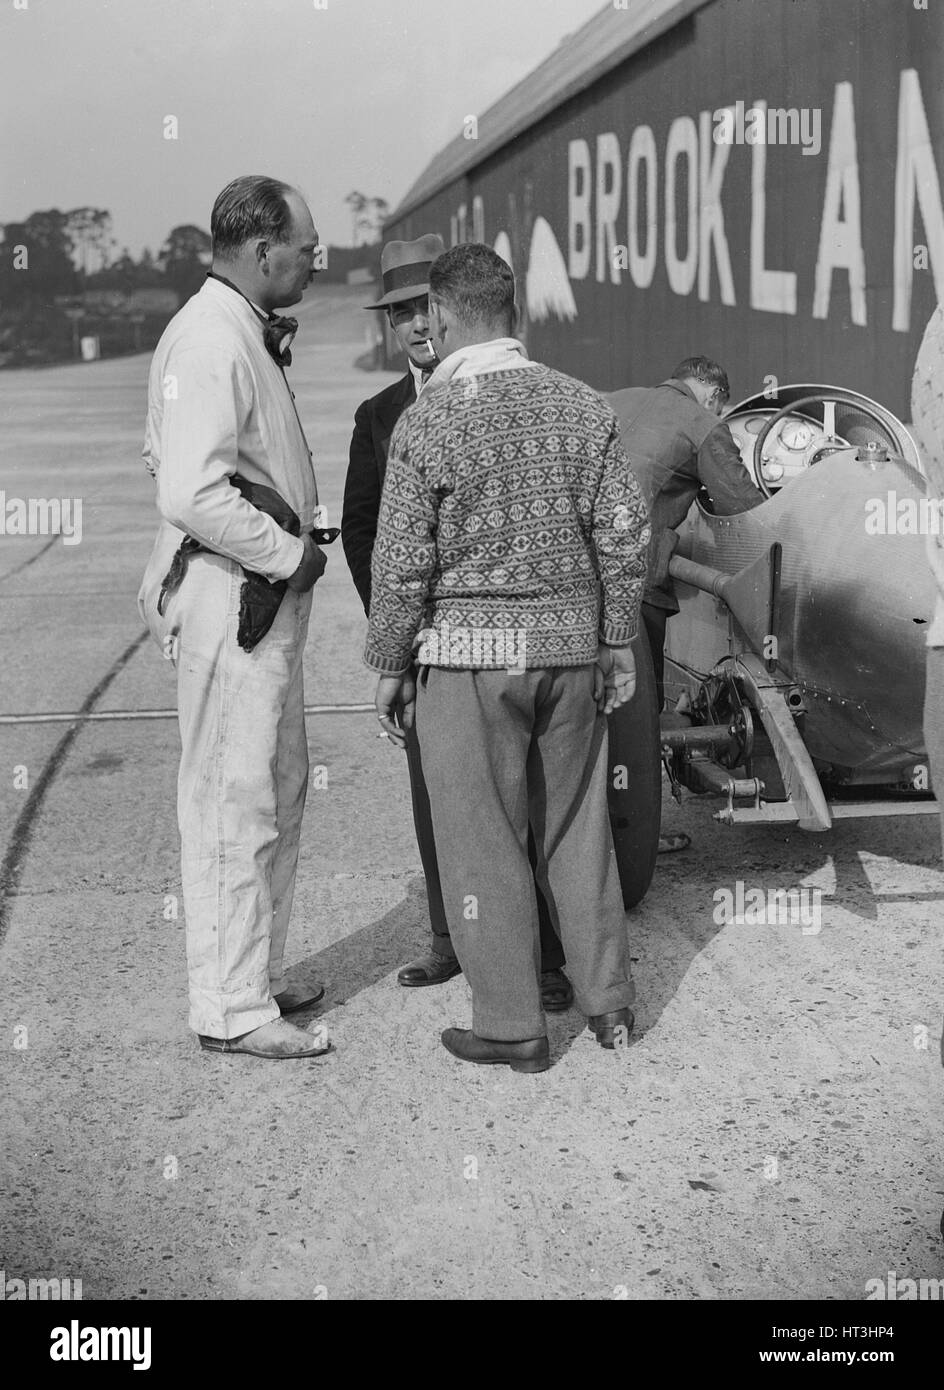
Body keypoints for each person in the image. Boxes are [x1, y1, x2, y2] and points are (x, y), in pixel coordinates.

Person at [365, 243, 649, 1073]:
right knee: (577, 829)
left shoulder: (428, 420)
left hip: (466, 662)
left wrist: (388, 665)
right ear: (513, 313)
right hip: (570, 653)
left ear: (445, 318)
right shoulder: (581, 407)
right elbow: (625, 538)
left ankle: (511, 1026)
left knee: (483, 840)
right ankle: (610, 1007)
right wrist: (615, 640)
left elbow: (400, 564)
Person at [343, 236, 574, 1012]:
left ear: (447, 309)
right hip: (426, 647)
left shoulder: (518, 386)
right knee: (437, 797)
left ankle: (539, 958)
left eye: (422, 308)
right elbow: (365, 531)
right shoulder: (378, 417)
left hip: (510, 643)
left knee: (526, 799)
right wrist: (397, 643)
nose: (414, 326)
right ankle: (451, 939)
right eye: (400, 312)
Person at [137, 175, 330, 1060]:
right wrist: (289, 553)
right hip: (234, 596)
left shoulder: (238, 332)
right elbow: (187, 487)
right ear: (262, 251)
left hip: (260, 598)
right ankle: (228, 1009)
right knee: (231, 799)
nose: (316, 260)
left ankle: (251, 979)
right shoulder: (209, 341)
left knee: (275, 789)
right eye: (306, 246)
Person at [609, 357, 766, 852]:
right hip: (633, 584)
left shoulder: (617, 399)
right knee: (636, 714)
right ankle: (632, 839)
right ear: (714, 395)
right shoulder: (703, 423)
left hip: (570, 578)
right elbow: (746, 509)